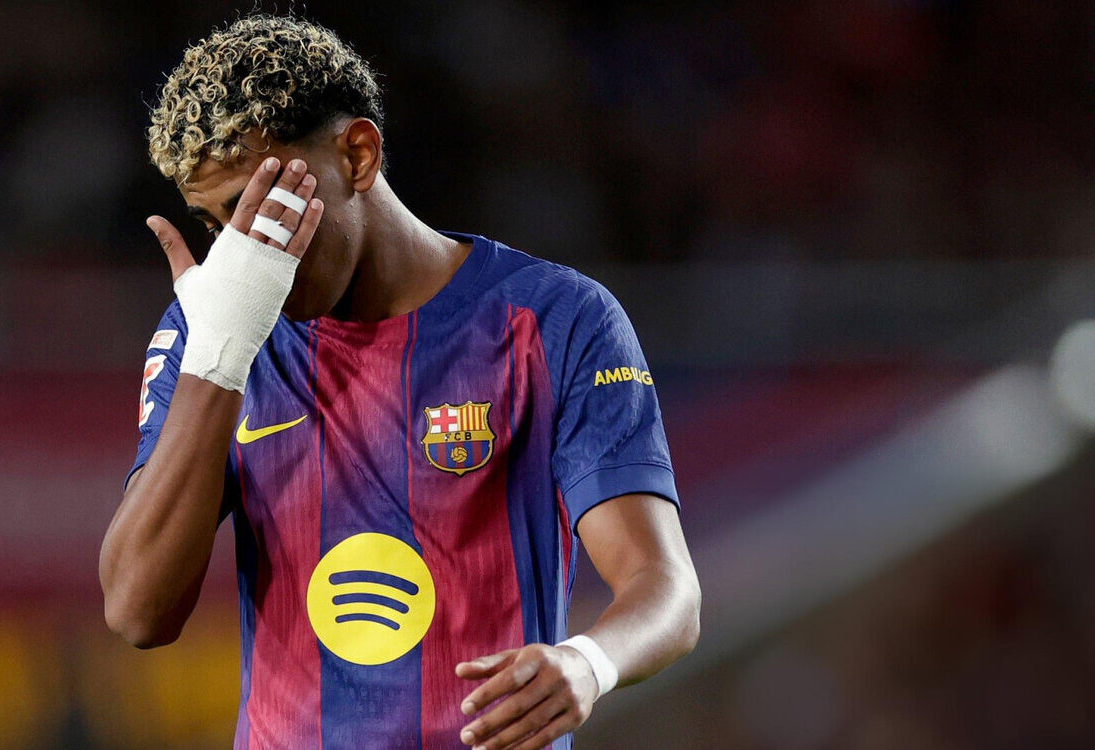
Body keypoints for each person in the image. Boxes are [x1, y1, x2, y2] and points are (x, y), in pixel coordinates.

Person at [98, 14, 700, 750]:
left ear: (357, 155)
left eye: (261, 207)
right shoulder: (211, 329)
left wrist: (589, 662)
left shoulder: (553, 320)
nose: (243, 250)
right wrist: (219, 356)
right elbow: (137, 611)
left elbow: (666, 590)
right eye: (215, 223)